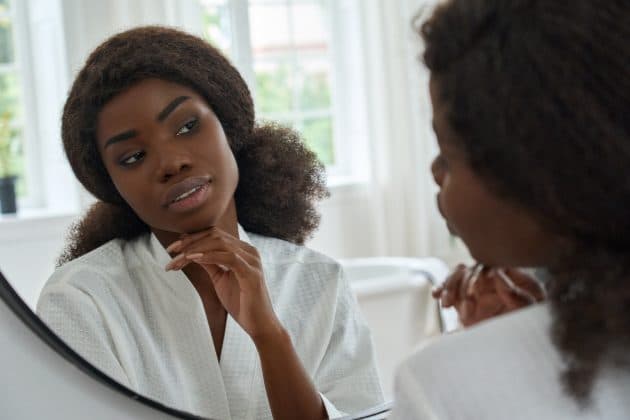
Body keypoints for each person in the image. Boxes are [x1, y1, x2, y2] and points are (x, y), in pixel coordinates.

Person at [36, 26, 383, 420]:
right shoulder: (82, 300)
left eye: (186, 126)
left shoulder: (320, 283)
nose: (171, 162)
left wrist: (269, 336)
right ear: (112, 186)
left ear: (227, 124)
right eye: (133, 157)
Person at [390, 0, 630, 419]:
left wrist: (504, 349)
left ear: (530, 170)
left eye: (446, 153)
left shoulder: (441, 383)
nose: (434, 172)